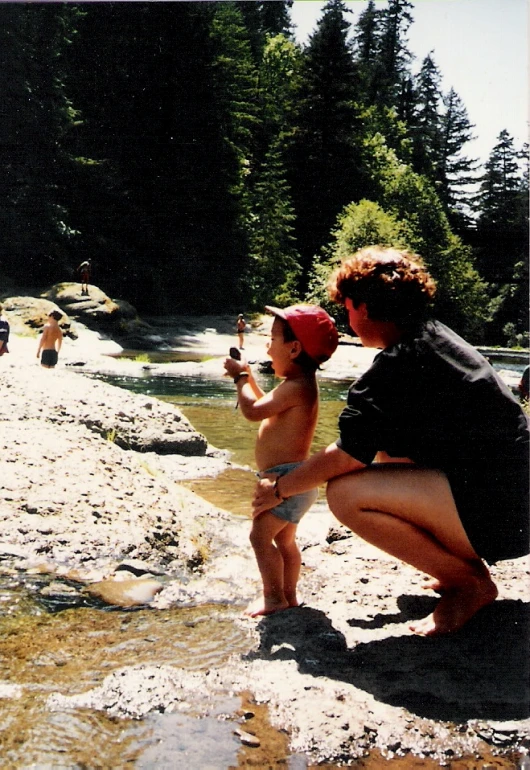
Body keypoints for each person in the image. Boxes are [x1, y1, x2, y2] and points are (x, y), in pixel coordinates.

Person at [253, 246, 529, 636]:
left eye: (347, 307)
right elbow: (375, 445)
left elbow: (347, 454)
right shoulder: (433, 338)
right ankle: (460, 568)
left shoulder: (398, 365)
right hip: (514, 507)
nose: (347, 319)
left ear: (363, 307)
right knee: (385, 451)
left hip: (503, 517)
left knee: (345, 493)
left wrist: (280, 488)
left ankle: (470, 584)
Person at [224, 304, 339, 617]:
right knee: (285, 542)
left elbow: (252, 411)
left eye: (272, 339)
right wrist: (246, 377)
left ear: (294, 348)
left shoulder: (296, 387)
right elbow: (263, 404)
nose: (267, 345)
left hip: (285, 480)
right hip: (295, 480)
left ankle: (273, 598)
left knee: (259, 537)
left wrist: (241, 377)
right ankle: (289, 597)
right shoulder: (300, 385)